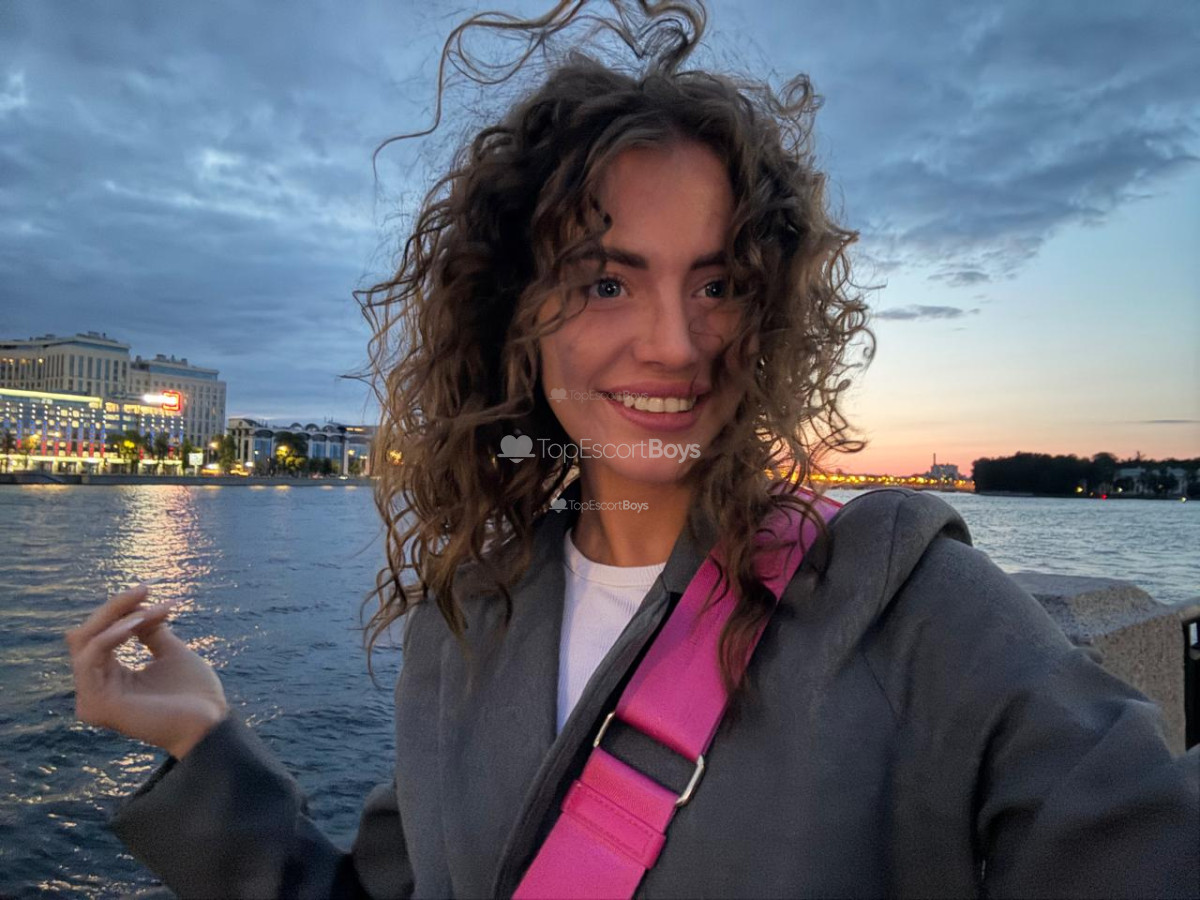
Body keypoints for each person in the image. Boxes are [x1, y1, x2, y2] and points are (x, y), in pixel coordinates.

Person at [66, 2, 1199, 898]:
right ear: (518, 315)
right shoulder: (469, 624)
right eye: (607, 282)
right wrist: (204, 742)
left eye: (720, 283)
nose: (675, 343)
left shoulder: (907, 606)